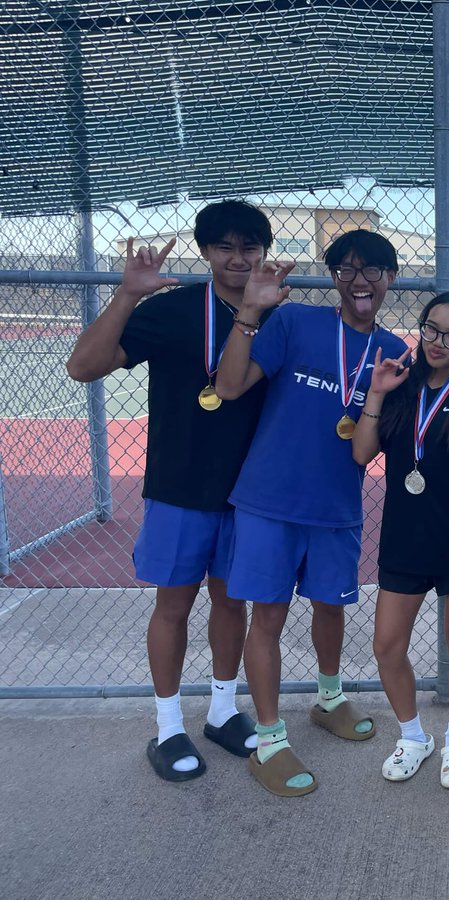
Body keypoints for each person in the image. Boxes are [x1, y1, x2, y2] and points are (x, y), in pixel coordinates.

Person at [65, 200, 273, 782]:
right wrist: (128, 293)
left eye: (250, 246)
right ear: (206, 252)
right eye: (226, 246)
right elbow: (83, 367)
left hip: (249, 495)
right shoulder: (174, 308)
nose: (239, 257)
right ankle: (168, 726)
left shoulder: (274, 313)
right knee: (174, 605)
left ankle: (224, 711)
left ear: (264, 252)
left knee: (234, 604)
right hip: (180, 488)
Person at [214, 229, 408, 797]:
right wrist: (249, 311)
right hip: (269, 501)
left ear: (391, 277)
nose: (360, 280)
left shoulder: (395, 351)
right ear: (333, 277)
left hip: (336, 506)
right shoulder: (295, 322)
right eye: (347, 269)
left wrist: (372, 397)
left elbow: (364, 450)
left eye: (373, 269)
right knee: (267, 616)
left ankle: (329, 698)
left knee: (331, 607)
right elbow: (228, 387)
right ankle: (270, 741)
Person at [351, 291, 449, 788]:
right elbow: (361, 454)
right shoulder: (398, 387)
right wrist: (375, 393)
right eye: (430, 329)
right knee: (387, 645)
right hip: (405, 540)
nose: (437, 342)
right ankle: (413, 735)